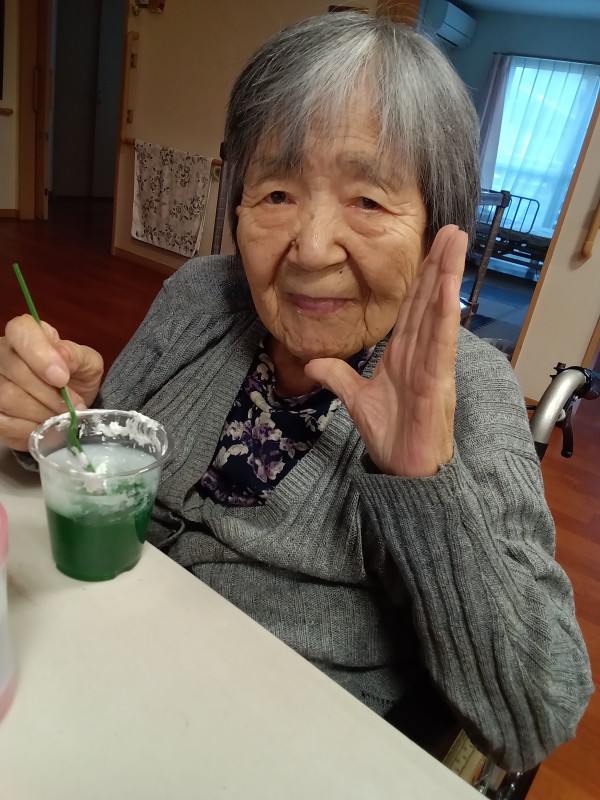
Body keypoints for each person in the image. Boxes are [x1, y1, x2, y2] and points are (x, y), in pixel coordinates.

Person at [0, 13, 592, 773]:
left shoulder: (470, 388)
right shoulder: (202, 295)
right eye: (276, 192)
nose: (310, 249)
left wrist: (426, 488)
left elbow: (538, 713)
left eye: (368, 201)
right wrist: (55, 422)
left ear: (435, 229)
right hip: (104, 663)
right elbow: (103, 480)